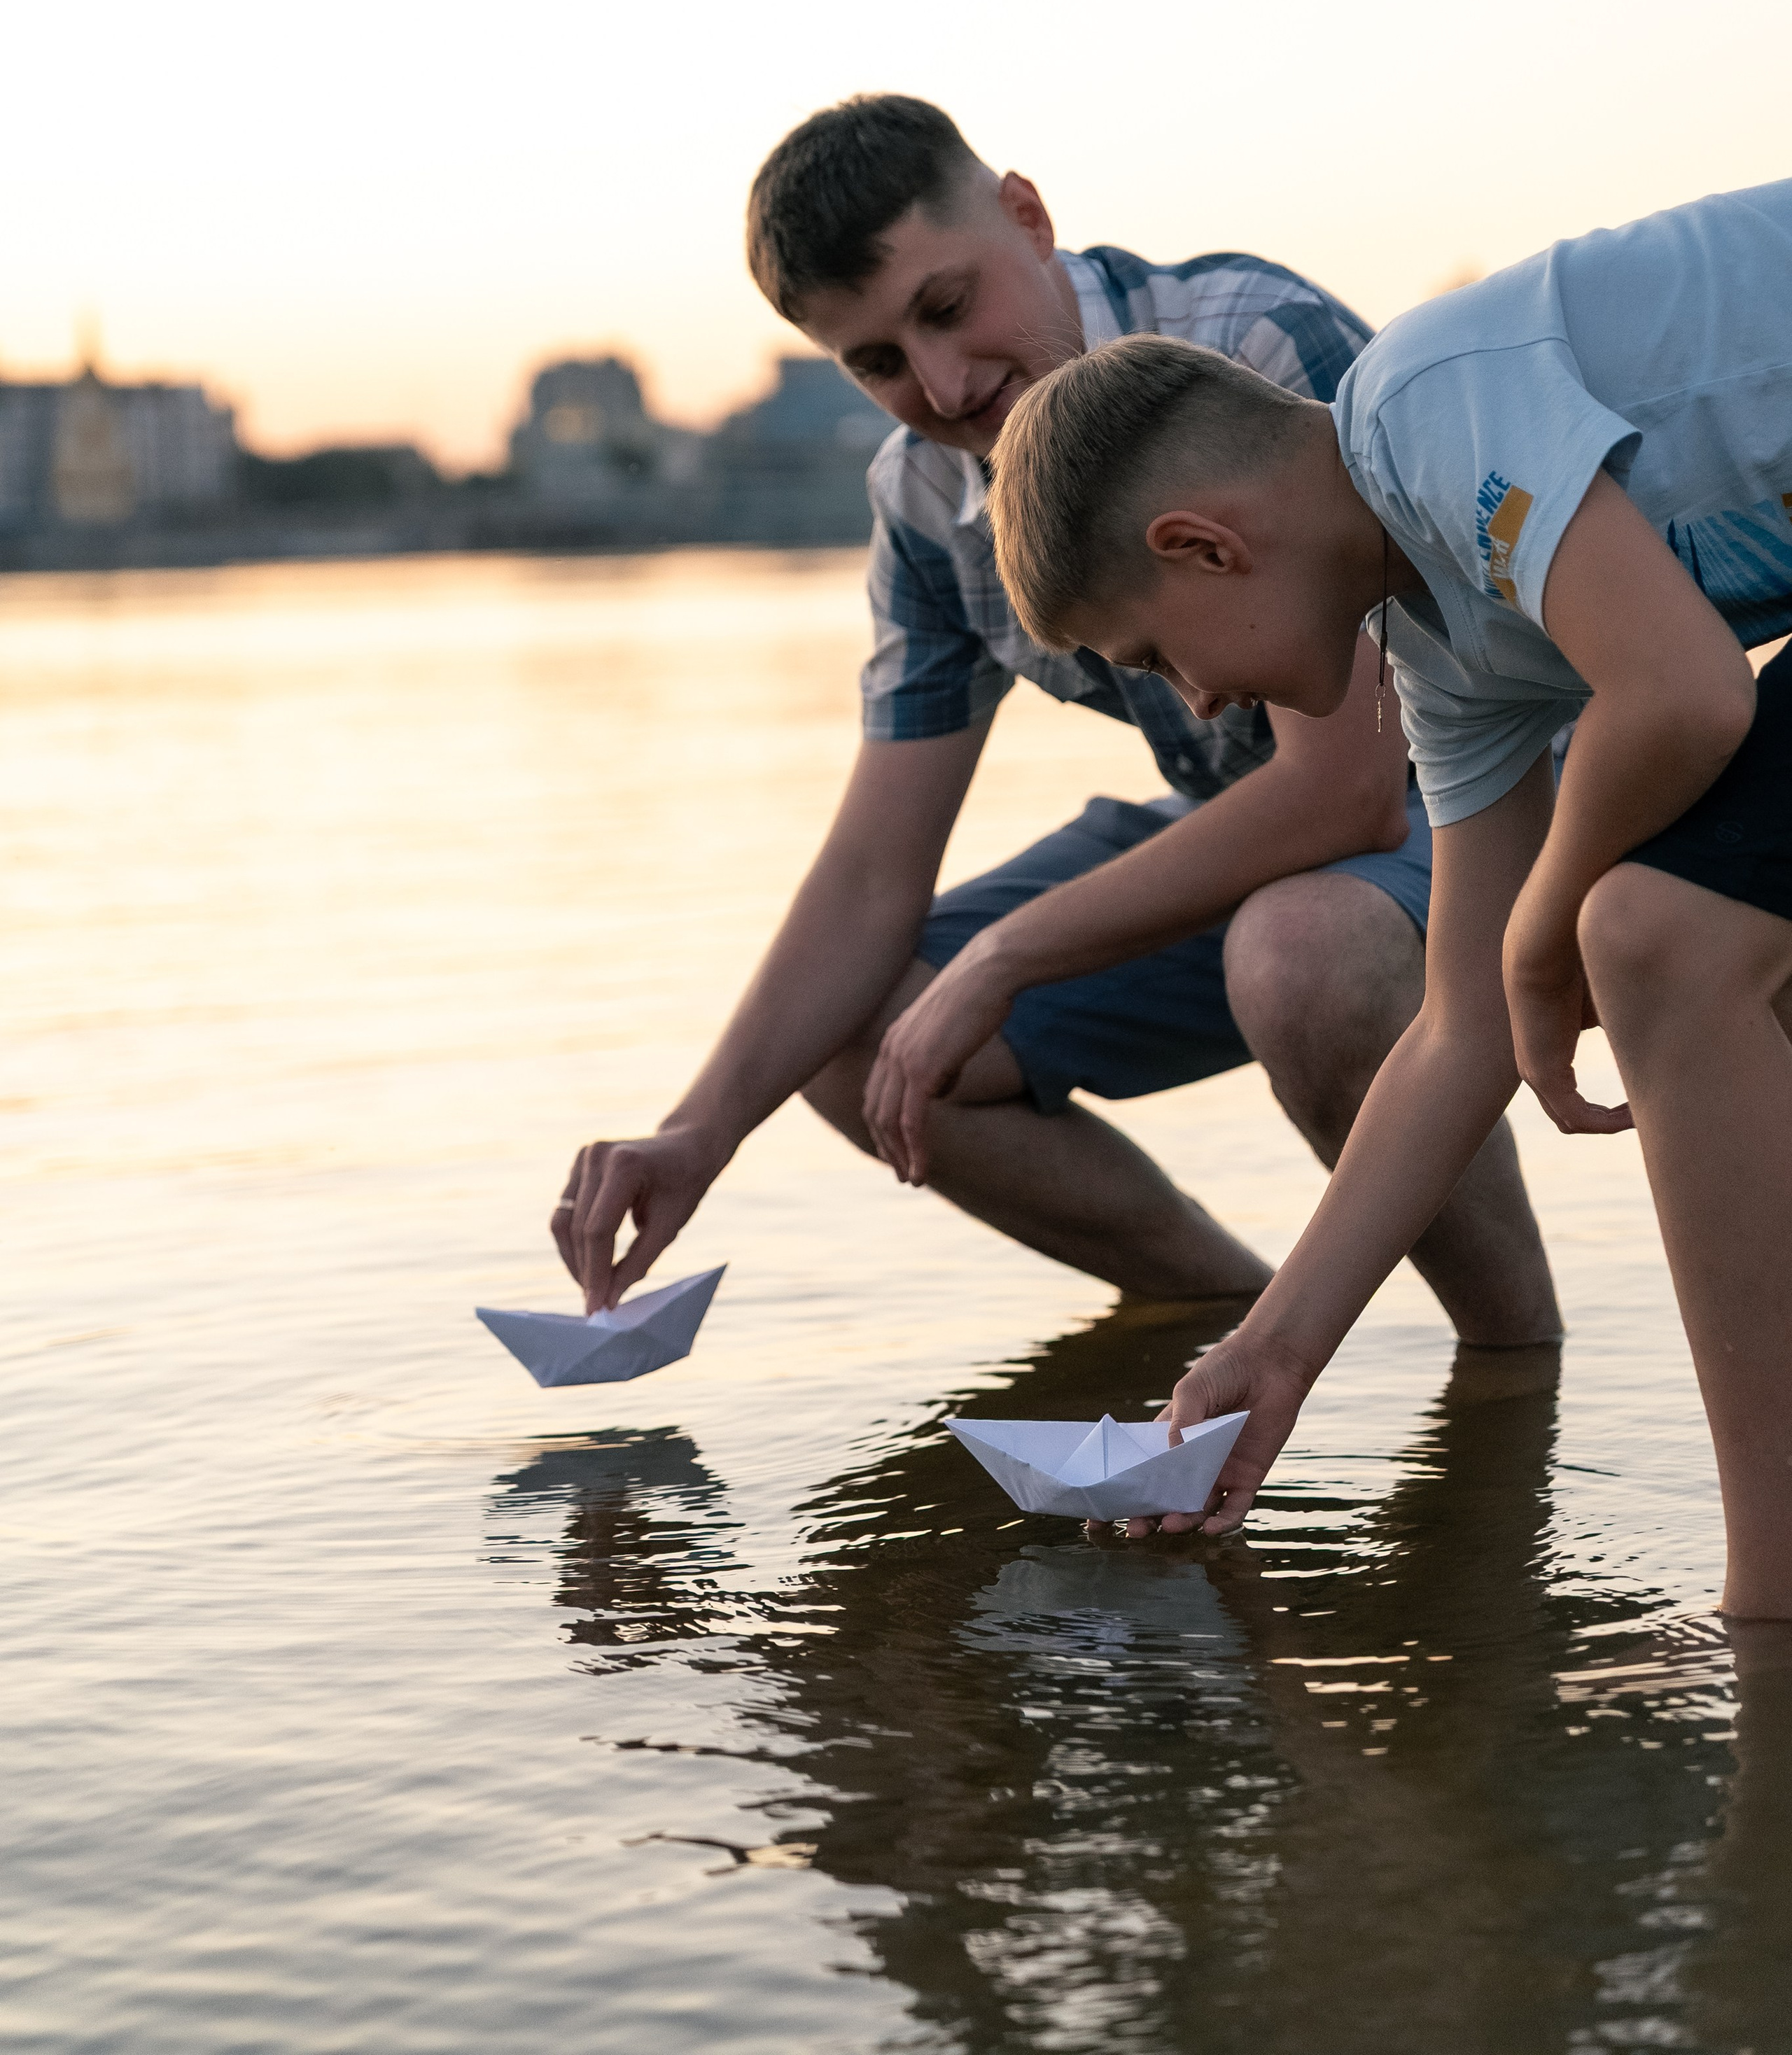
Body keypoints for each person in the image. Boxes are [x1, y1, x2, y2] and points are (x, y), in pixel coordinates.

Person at [552, 94, 1559, 1349]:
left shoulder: (1249, 340)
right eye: (875, 363)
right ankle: (1224, 1327)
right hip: (1259, 838)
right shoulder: (923, 500)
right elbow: (874, 870)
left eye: (945, 306)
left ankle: (1511, 1371)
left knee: (1299, 951)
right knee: (860, 1041)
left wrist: (1004, 956)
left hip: (1495, 802)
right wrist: (700, 1129)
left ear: (1026, 220)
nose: (943, 384)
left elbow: (1346, 789)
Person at [983, 173, 1792, 1613]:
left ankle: (1767, 1601)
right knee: (1672, 934)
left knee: (1653, 934)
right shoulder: (1447, 647)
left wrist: (1545, 919)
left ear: (1200, 546)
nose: (1202, 698)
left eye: (1160, 657)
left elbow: (1679, 699)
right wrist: (1273, 1353)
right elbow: (1455, 1031)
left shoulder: (1420, 406)